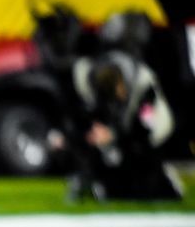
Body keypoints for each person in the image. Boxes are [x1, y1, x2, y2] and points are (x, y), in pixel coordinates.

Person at [60, 49, 182, 201]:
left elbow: (143, 129)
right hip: (121, 128)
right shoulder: (93, 78)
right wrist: (95, 131)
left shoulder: (144, 85)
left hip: (150, 128)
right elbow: (88, 112)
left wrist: (113, 136)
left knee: (139, 156)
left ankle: (164, 181)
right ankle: (91, 181)